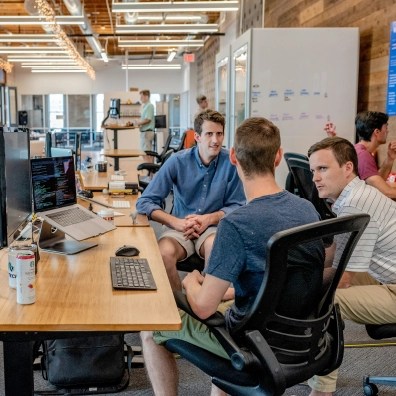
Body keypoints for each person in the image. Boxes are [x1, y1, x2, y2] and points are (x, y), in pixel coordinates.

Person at [140, 117, 324, 396]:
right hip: (302, 337)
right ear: (278, 157)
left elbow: (202, 308)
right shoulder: (307, 210)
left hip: (252, 343)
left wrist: (191, 281)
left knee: (149, 331)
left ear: (235, 157)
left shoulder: (236, 225)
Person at [307, 136, 396, 396]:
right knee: (319, 287)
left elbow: (343, 278)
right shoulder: (355, 195)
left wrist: (294, 284)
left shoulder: (355, 204)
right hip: (384, 275)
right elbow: (335, 255)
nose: (315, 178)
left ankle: (322, 389)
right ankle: (313, 368)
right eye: (313, 170)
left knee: (329, 301)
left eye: (323, 169)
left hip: (392, 286)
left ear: (347, 168)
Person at [136, 109, 245, 291]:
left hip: (212, 228)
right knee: (163, 253)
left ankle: (205, 305)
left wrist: (208, 219)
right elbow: (145, 201)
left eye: (219, 134)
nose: (215, 140)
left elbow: (239, 206)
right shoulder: (177, 161)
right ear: (197, 137)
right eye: (209, 134)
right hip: (179, 226)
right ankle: (181, 307)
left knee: (216, 250)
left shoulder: (231, 163)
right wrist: (175, 222)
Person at [324, 112, 396, 198]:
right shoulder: (363, 156)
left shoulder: (358, 150)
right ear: (377, 132)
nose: (387, 131)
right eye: (386, 127)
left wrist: (390, 158)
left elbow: (378, 182)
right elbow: (386, 192)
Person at [135, 89, 155, 163]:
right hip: (144, 132)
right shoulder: (145, 106)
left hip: (147, 132)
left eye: (142, 96)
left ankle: (150, 172)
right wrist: (139, 122)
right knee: (144, 153)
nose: (140, 98)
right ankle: (149, 171)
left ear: (147, 96)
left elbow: (148, 119)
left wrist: (139, 123)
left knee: (146, 153)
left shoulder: (150, 106)